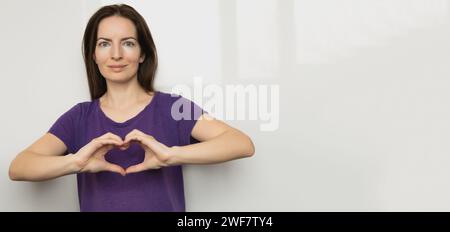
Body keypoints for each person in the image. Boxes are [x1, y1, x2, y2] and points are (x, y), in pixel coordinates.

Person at [8, 4, 255, 212]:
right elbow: (20, 167)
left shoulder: (173, 107)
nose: (116, 54)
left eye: (127, 43)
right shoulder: (79, 117)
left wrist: (171, 155)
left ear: (142, 53)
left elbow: (241, 144)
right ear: (93, 55)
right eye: (104, 44)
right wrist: (76, 163)